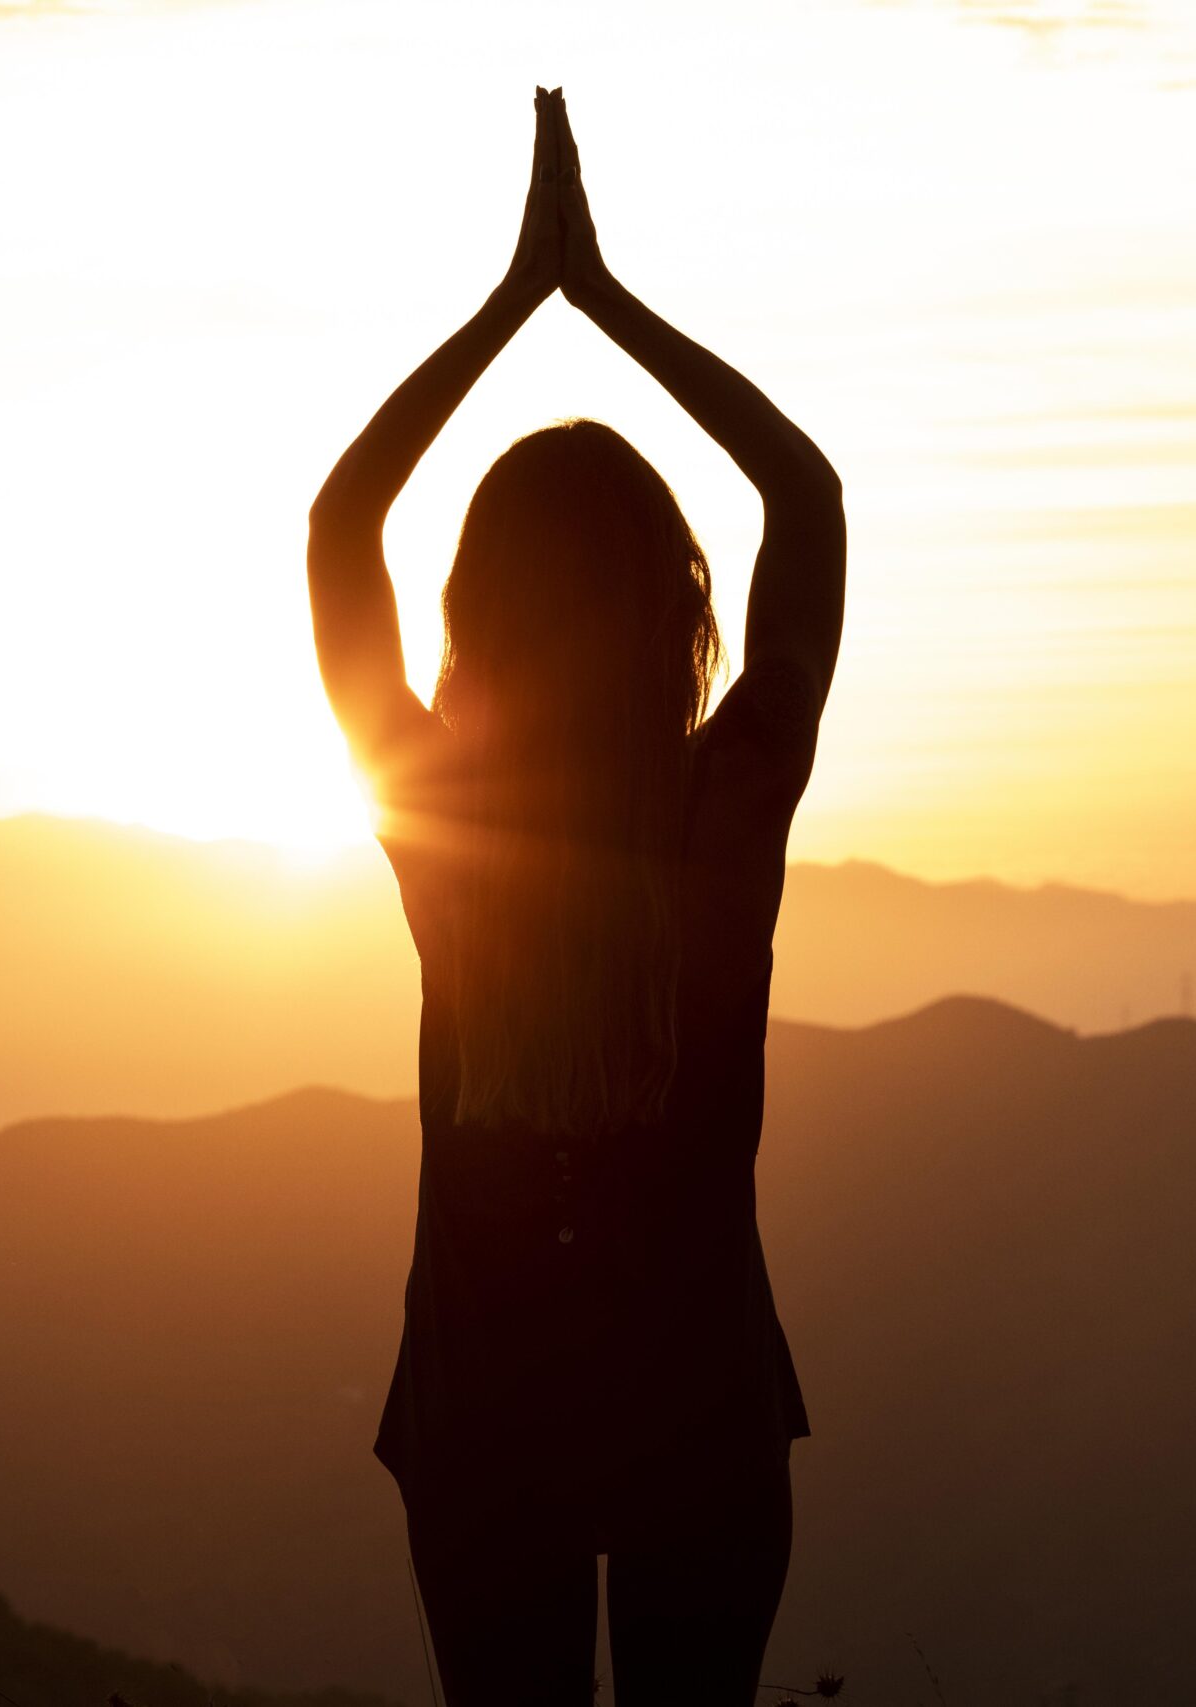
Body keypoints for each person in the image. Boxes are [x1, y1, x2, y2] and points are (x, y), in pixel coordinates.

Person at [305, 88, 846, 1705]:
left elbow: (342, 530)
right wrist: (606, 302)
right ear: (680, 609)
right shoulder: (721, 815)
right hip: (699, 1417)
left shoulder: (446, 822)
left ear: (477, 616)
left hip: (487, 1424)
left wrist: (510, 307)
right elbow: (806, 503)